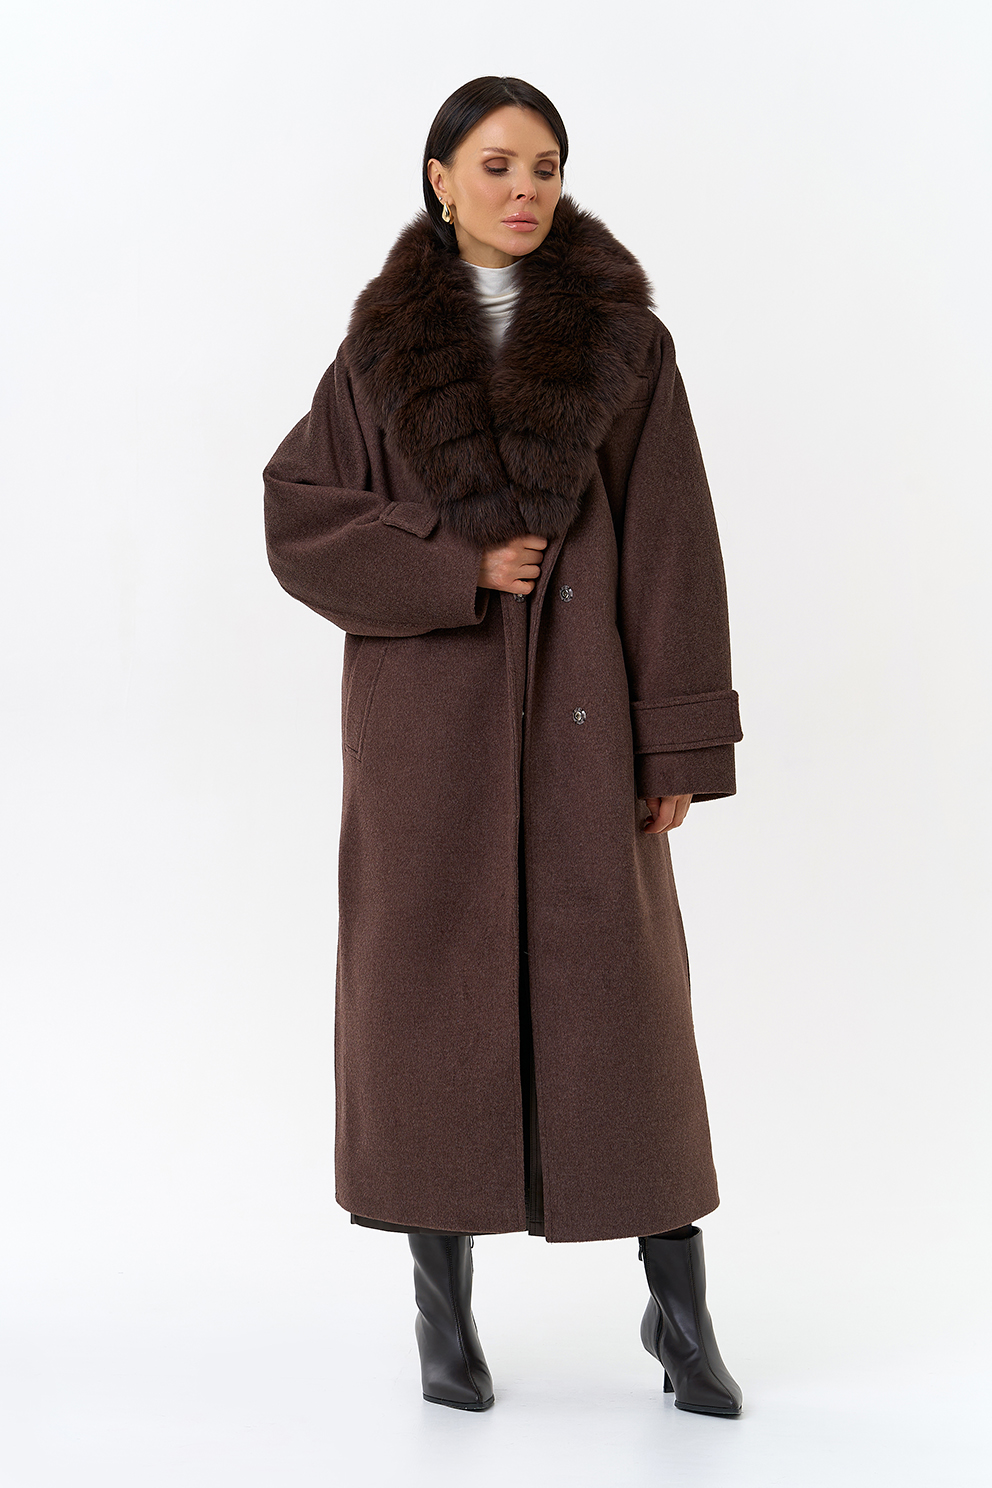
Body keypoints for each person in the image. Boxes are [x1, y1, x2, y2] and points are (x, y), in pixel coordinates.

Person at [263, 75, 744, 1418]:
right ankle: (443, 1313)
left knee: (626, 1020)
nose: (524, 189)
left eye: (544, 166)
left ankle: (681, 1311)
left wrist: (674, 747)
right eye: (496, 165)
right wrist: (454, 561)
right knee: (432, 1021)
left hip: (587, 731)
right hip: (430, 740)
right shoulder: (379, 354)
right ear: (440, 178)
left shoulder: (625, 346)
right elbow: (297, 515)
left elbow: (672, 545)